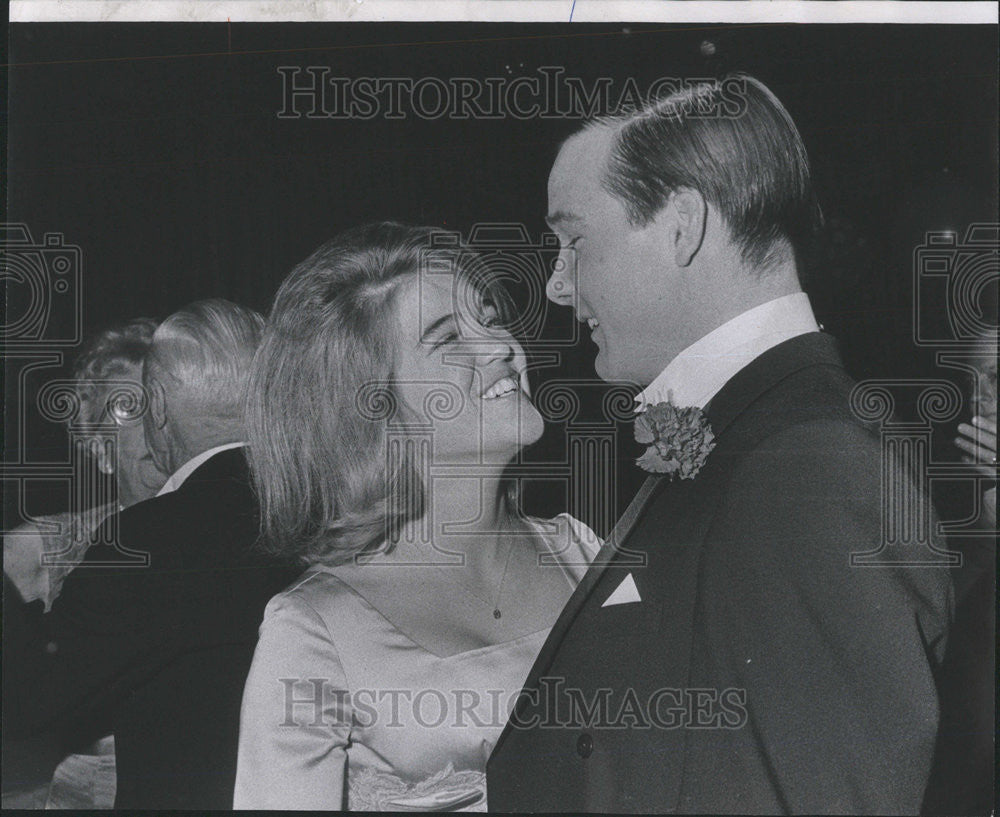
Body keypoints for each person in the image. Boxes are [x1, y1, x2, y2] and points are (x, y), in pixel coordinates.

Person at [486, 75, 953, 814]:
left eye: (574, 241)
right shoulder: (757, 435)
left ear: (681, 225)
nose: (555, 286)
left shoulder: (809, 471)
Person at [233, 222, 600, 811]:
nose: (501, 345)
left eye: (488, 316)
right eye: (449, 337)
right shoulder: (311, 632)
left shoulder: (583, 553)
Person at [4, 299, 299, 810]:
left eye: (148, 400)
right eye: (123, 408)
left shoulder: (155, 541)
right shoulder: (41, 548)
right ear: (95, 445)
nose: (143, 424)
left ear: (166, 407)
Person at [2, 317, 165, 810]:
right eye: (127, 409)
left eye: (160, 405)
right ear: (99, 448)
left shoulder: (237, 535)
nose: (155, 427)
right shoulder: (60, 541)